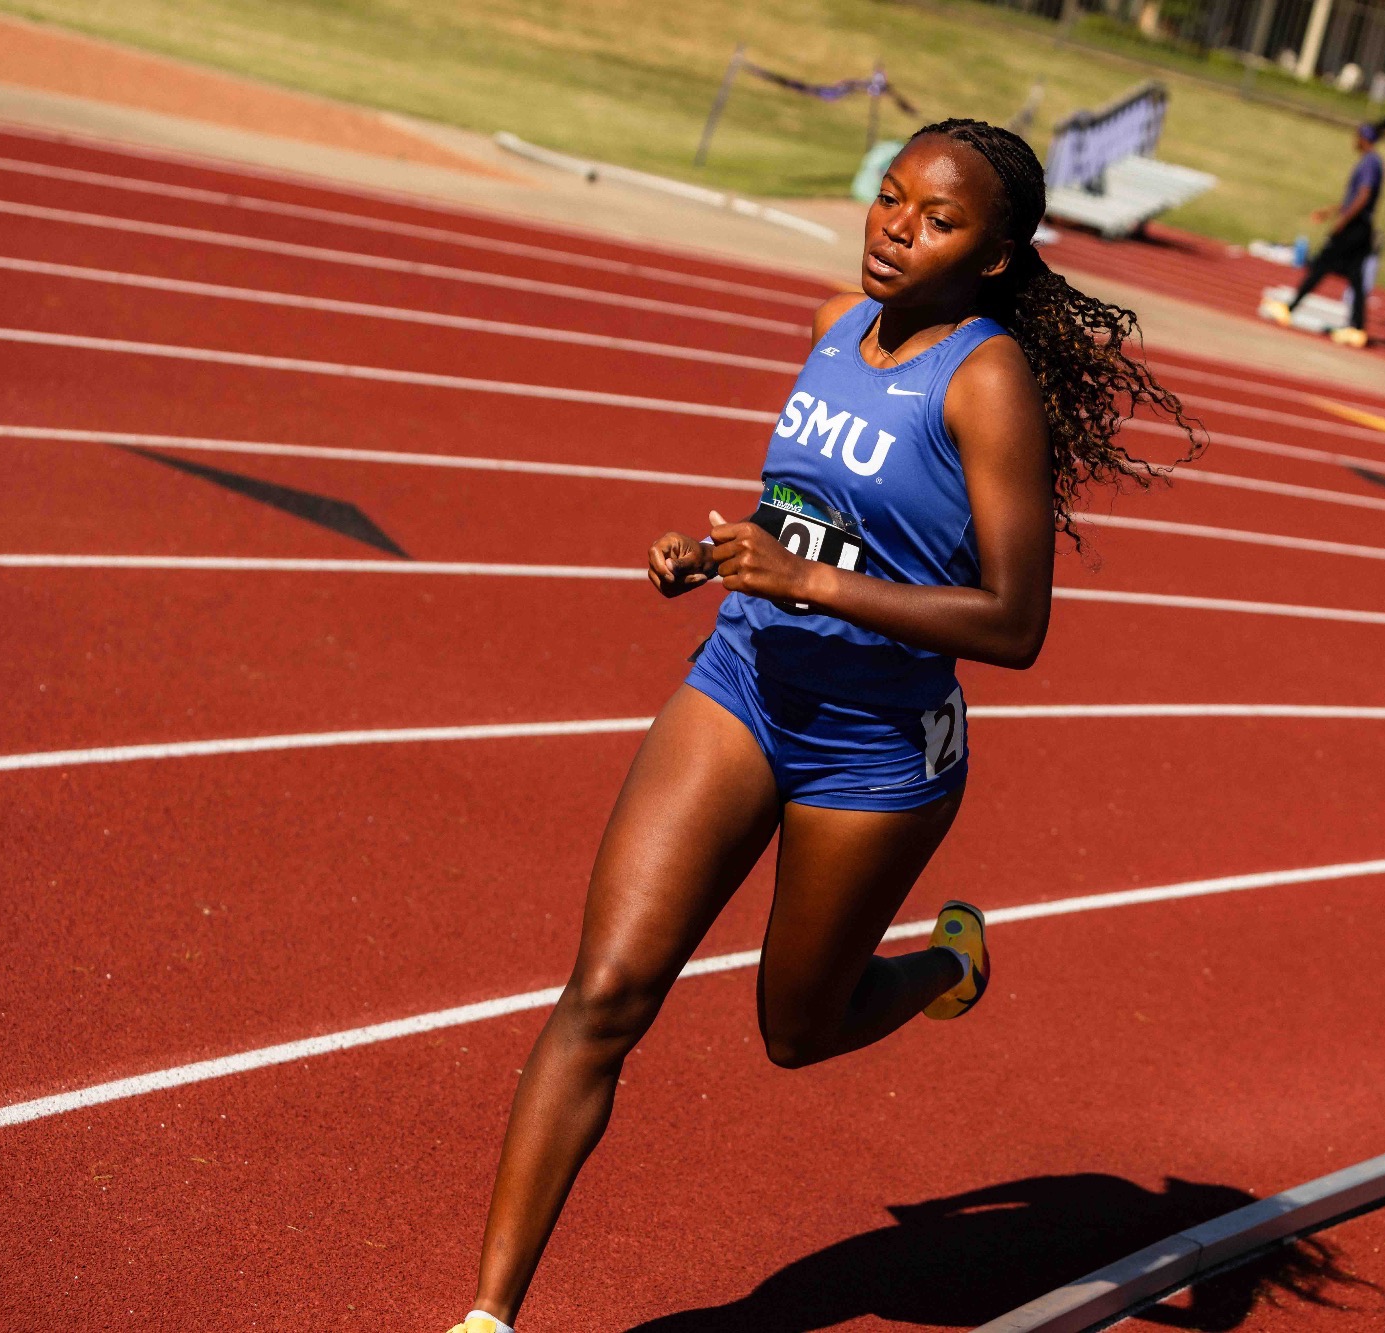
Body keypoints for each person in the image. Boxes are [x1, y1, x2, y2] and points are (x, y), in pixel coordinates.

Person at [442, 118, 1202, 1333]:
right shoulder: (827, 327)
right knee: (606, 993)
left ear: (995, 254)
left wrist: (810, 583)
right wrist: (720, 554)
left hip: (873, 744)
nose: (896, 229)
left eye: (937, 219)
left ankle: (948, 963)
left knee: (795, 1030)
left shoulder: (984, 377)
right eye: (888, 198)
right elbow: (802, 507)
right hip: (743, 682)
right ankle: (486, 1316)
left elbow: (1012, 624)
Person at [1261, 116, 1385, 349]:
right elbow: (1355, 198)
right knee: (1356, 278)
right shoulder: (1373, 162)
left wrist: (1342, 222)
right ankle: (1357, 329)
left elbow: (1363, 197)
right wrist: (1331, 211)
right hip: (1361, 226)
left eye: (1357, 136)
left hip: (1355, 227)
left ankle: (1289, 308)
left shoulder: (1370, 163)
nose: (1354, 141)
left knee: (1321, 265)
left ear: (1364, 138)